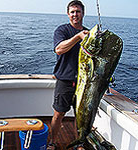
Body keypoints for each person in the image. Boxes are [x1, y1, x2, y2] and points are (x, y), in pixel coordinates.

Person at [47, 1, 89, 150]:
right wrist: (78, 37)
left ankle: (80, 143)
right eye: (72, 12)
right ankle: (52, 141)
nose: (75, 14)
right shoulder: (62, 30)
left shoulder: (89, 34)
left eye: (77, 11)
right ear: (68, 14)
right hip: (65, 80)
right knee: (59, 114)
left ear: (83, 13)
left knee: (80, 116)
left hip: (83, 83)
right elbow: (59, 49)